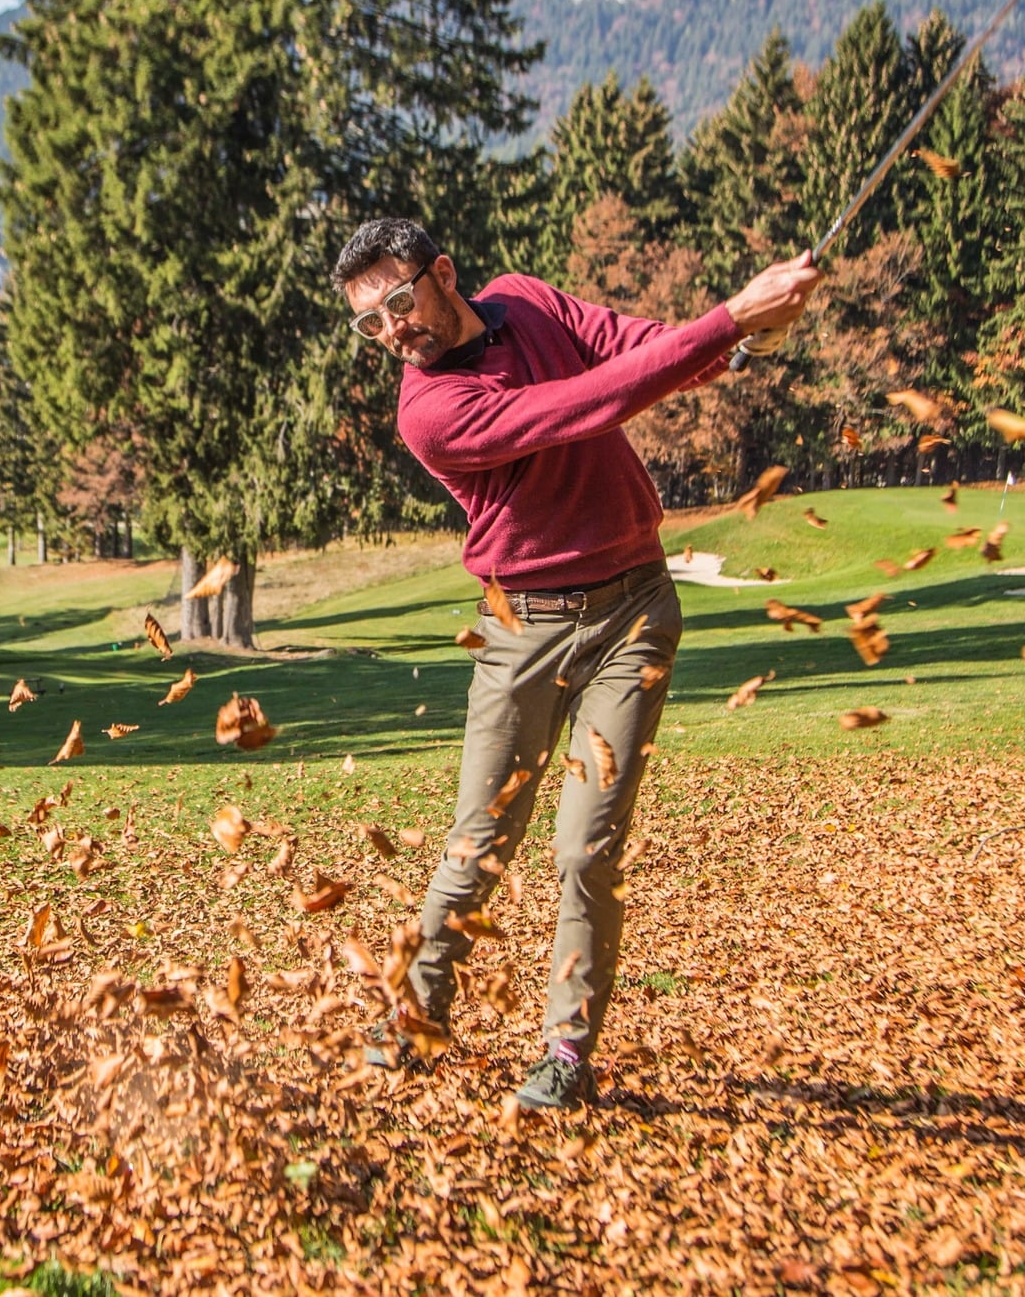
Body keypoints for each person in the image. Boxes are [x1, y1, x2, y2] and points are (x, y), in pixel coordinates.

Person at [333, 217, 820, 1109]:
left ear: (444, 273)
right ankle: (413, 1013)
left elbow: (632, 350)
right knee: (480, 847)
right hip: (521, 634)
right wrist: (731, 321)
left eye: (400, 302)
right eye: (372, 324)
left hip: (633, 613)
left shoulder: (524, 299)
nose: (393, 330)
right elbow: (580, 408)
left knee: (585, 849)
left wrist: (739, 335)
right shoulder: (428, 410)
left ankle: (566, 1047)